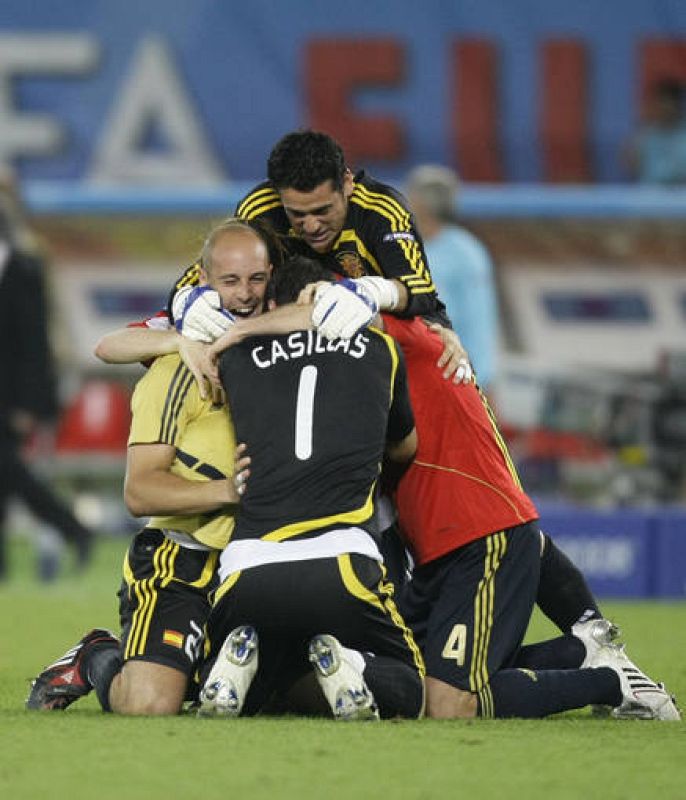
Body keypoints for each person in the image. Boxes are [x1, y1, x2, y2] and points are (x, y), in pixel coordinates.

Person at [206, 274, 679, 721]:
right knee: (417, 675)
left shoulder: (396, 335)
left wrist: (233, 331)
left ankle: (609, 682)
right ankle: (577, 652)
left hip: (478, 536)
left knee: (448, 701)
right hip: (437, 548)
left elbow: (323, 316)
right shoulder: (359, 359)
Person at [25, 219, 267, 714]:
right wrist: (232, 491)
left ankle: (197, 666)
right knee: (149, 705)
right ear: (202, 279)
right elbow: (139, 493)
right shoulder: (178, 362)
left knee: (282, 695)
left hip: (260, 560)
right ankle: (98, 654)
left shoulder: (283, 344)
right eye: (230, 281)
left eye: (257, 280)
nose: (245, 294)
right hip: (183, 555)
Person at [197, 258, 424, 721]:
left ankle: (234, 669)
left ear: (272, 303)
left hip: (248, 564)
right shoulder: (381, 350)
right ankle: (350, 661)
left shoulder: (235, 357)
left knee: (259, 694)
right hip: (342, 558)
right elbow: (406, 447)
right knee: (410, 688)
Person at [171, 129, 472, 385]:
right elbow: (194, 280)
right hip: (285, 367)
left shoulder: (382, 211)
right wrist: (186, 302)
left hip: (380, 367)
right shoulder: (260, 211)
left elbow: (420, 290)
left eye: (323, 210)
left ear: (347, 184)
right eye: (297, 214)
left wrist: (371, 292)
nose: (312, 226)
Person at [0, 190, 93, 581]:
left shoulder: (25, 270)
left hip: (14, 398)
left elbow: (35, 344)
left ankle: (71, 527)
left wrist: (28, 405)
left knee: (8, 471)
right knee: (6, 475)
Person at [404, 164, 499, 392]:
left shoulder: (465, 254)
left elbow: (478, 320)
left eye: (410, 195)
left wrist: (480, 378)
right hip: (417, 372)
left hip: (456, 376)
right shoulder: (405, 246)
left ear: (423, 204)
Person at [623, 78, 686, 185]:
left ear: (677, 105)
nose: (663, 108)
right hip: (648, 195)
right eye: (659, 102)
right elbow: (630, 165)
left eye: (667, 102)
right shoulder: (645, 134)